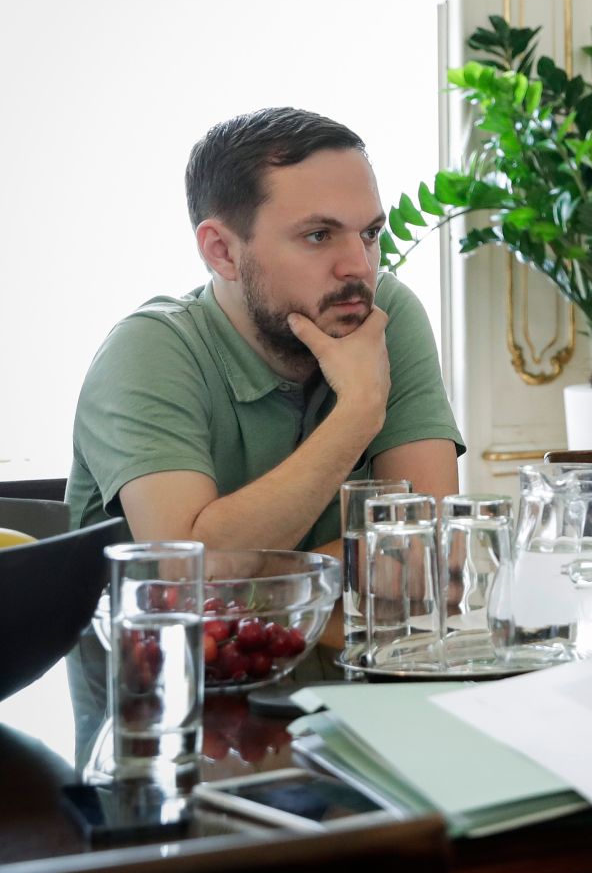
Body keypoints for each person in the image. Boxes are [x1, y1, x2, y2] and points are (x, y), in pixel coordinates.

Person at [66, 108, 463, 552]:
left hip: (320, 607)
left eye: (369, 234)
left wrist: (262, 575)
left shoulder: (381, 313)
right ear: (222, 252)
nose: (360, 266)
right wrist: (358, 412)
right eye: (318, 235)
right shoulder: (147, 350)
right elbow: (191, 572)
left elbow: (433, 548)